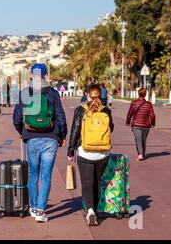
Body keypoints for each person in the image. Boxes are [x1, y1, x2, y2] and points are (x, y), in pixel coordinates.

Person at [13, 63, 67, 223]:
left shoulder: (24, 92)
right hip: (50, 137)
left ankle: (33, 206)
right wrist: (62, 135)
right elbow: (60, 116)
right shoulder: (53, 93)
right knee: (46, 175)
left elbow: (16, 118)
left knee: (33, 174)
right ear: (45, 75)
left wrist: (22, 132)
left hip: (31, 137)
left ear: (31, 75)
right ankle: (40, 210)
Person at [67, 84, 114, 226]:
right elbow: (110, 129)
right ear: (100, 96)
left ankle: (90, 211)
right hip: (102, 153)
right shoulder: (106, 110)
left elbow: (75, 130)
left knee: (87, 184)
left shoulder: (81, 110)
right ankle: (96, 210)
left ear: (87, 95)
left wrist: (70, 150)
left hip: (85, 152)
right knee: (98, 182)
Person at [126, 87, 156, 161]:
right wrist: (153, 123)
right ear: (145, 95)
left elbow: (130, 114)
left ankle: (140, 154)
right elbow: (152, 115)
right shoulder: (149, 104)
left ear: (138, 94)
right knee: (143, 140)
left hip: (136, 125)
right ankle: (142, 154)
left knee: (138, 140)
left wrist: (128, 122)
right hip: (146, 125)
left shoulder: (134, 103)